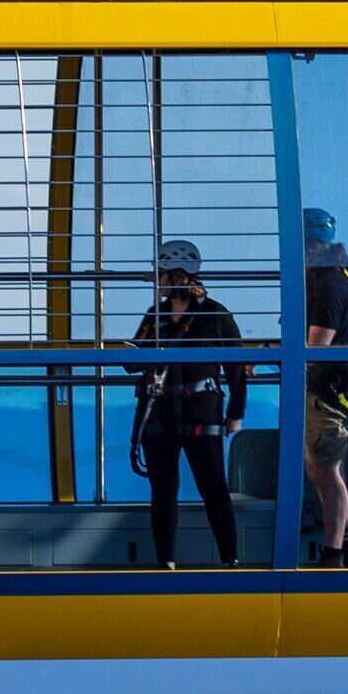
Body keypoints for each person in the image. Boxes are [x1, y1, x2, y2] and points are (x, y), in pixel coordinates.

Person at [127, 239, 251, 568]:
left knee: (213, 486)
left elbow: (236, 367)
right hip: (160, 414)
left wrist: (235, 413)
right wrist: (138, 354)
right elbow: (132, 360)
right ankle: (165, 562)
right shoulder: (155, 315)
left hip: (201, 410)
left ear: (178, 275)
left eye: (163, 274)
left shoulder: (214, 314)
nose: (159, 281)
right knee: (163, 488)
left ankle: (230, 559)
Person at [299, 206, 348, 567]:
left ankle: (334, 553)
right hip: (331, 389)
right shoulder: (335, 278)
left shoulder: (329, 285)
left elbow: (314, 346)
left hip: (326, 393)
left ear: (310, 245)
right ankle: (347, 543)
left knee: (326, 472)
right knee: (321, 470)